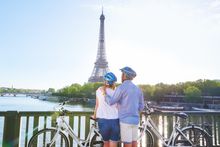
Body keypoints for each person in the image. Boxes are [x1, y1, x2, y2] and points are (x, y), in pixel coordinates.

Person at [105, 67, 144, 147]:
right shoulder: (138, 89)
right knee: (134, 143)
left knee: (127, 144)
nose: (121, 76)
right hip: (136, 120)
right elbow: (141, 107)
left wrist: (106, 95)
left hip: (125, 121)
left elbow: (111, 102)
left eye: (122, 74)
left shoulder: (121, 88)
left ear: (125, 75)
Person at [93, 72, 120, 147]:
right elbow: (119, 107)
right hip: (115, 120)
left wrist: (95, 116)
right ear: (114, 82)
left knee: (106, 143)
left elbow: (97, 105)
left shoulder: (98, 90)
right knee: (113, 143)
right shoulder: (117, 91)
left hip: (103, 121)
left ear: (105, 81)